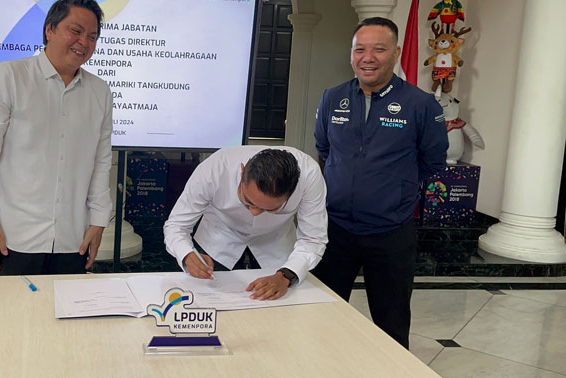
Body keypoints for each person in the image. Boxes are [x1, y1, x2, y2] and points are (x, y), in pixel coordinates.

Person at [313, 17, 448, 348]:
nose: (367, 58)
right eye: (359, 49)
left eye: (378, 49)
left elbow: (432, 162)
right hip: (335, 230)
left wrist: (394, 188)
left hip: (391, 233)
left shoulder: (421, 105)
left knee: (391, 325)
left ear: (396, 53)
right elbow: (324, 150)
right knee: (320, 316)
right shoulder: (332, 98)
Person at [0, 0, 113, 276]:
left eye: (92, 36)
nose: (84, 42)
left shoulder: (99, 91)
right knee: (14, 306)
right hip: (14, 238)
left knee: (70, 306)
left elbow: (100, 163)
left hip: (74, 239)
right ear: (49, 30)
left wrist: (98, 221)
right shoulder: (9, 77)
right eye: (75, 31)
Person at [163, 146, 328, 301]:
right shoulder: (214, 169)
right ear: (242, 173)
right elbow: (176, 226)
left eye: (270, 209)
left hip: (276, 243)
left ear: (292, 193)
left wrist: (286, 275)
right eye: (248, 201)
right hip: (219, 238)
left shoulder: (309, 177)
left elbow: (312, 239)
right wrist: (186, 254)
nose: (254, 212)